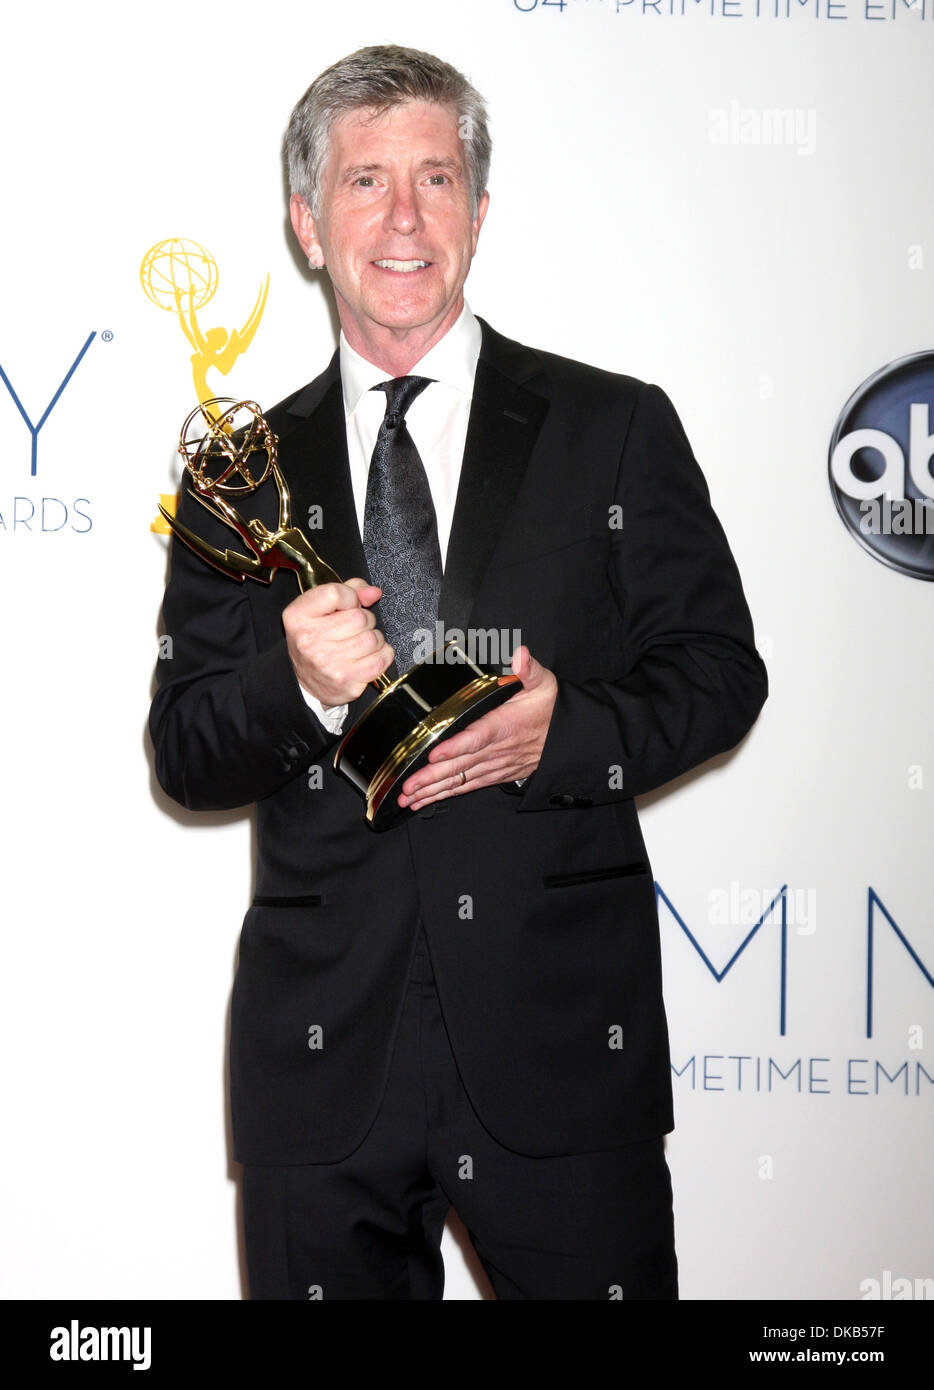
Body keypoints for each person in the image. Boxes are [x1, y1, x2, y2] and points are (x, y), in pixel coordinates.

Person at [149, 44, 768, 1301]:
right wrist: (298, 683)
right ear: (307, 223)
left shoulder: (615, 427)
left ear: (478, 214)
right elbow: (187, 748)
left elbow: (719, 672)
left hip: (558, 1050)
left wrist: (566, 732)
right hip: (325, 1069)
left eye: (436, 179)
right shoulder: (237, 475)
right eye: (364, 181)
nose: (402, 217)